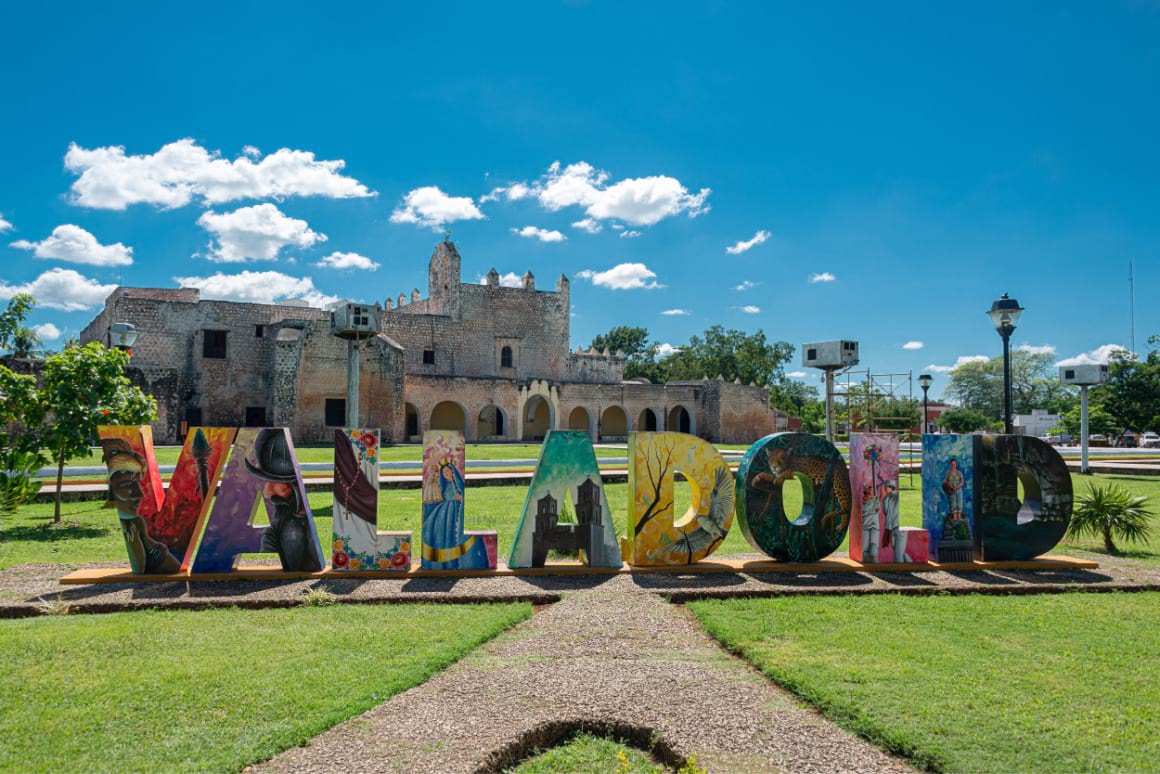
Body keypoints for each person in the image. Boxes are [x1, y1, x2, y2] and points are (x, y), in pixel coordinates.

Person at [101, 438, 180, 574]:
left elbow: (170, 567)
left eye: (137, 483)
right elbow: (139, 570)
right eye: (127, 485)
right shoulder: (131, 525)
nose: (140, 494)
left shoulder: (137, 522)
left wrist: (147, 542)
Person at [246, 429, 321, 572]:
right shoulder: (275, 530)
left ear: (293, 486)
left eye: (275, 482)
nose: (267, 492)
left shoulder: (299, 530)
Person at [421, 458, 488, 569]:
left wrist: (460, 497)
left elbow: (462, 494)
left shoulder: (456, 485)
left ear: (453, 472)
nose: (447, 474)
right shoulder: (445, 485)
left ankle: (453, 560)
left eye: (448, 471)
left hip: (455, 510)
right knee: (440, 532)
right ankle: (441, 560)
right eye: (444, 473)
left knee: (452, 532)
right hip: (443, 512)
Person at [942, 457, 965, 538]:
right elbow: (945, 482)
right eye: (952, 464)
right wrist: (948, 486)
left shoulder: (959, 473)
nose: (953, 465)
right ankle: (955, 522)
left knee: (959, 503)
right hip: (951, 491)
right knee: (953, 504)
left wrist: (957, 487)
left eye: (954, 464)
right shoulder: (948, 473)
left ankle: (959, 520)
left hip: (958, 491)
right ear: (950, 465)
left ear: (956, 464)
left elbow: (962, 482)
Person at [881, 479, 903, 562]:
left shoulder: (886, 498)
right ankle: (904, 561)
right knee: (898, 548)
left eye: (886, 487)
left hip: (891, 524)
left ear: (890, 487)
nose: (885, 489)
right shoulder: (898, 495)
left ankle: (900, 564)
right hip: (898, 523)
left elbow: (885, 511)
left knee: (895, 546)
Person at [860, 482, 881, 563]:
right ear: (865, 489)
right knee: (865, 547)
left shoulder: (876, 500)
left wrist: (866, 513)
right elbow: (861, 512)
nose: (871, 489)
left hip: (874, 526)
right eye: (869, 487)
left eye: (871, 487)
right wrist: (869, 512)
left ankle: (875, 562)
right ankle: (867, 562)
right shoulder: (861, 501)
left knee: (874, 544)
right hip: (865, 525)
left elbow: (877, 510)